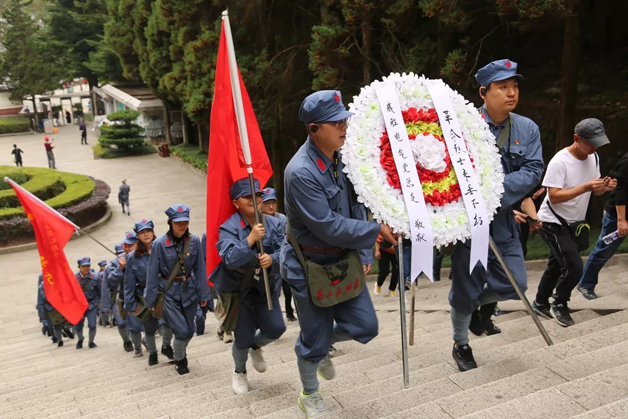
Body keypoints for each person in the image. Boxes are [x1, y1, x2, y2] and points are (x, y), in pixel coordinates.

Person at [280, 90, 397, 416]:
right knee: (314, 340)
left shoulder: (343, 156)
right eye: (335, 122)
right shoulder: (301, 172)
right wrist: (375, 233)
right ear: (314, 128)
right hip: (310, 264)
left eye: (344, 118)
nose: (344, 126)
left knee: (366, 327)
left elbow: (357, 202)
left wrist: (364, 253)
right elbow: (328, 226)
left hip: (343, 259)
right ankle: (309, 392)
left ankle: (318, 343)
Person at [449, 59, 544, 372]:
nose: (511, 92)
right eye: (503, 87)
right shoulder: (461, 127)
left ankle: (482, 305)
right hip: (467, 223)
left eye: (514, 85)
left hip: (502, 218)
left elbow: (533, 171)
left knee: (516, 282)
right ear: (483, 92)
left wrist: (490, 192)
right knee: (465, 286)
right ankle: (461, 343)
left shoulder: (527, 128)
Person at [532, 118, 615, 326]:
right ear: (576, 138)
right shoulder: (560, 161)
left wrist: (603, 187)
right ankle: (559, 303)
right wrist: (586, 187)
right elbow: (555, 196)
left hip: (573, 222)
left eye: (598, 142)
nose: (595, 147)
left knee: (556, 264)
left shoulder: (593, 157)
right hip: (552, 222)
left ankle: (540, 302)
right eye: (591, 142)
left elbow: (593, 190)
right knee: (574, 266)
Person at [211, 178, 287, 395]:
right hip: (239, 289)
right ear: (236, 203)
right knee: (242, 336)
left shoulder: (275, 223)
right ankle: (239, 371)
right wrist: (251, 239)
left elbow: (286, 250)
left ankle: (256, 345)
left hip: (266, 286)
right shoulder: (229, 227)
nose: (255, 201)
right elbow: (229, 258)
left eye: (258, 196)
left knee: (277, 328)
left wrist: (272, 259)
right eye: (248, 197)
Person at [145, 204, 211, 375]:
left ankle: (175, 350)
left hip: (189, 290)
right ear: (170, 222)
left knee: (190, 329)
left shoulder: (194, 241)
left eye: (185, 222)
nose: (182, 225)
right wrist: (150, 300)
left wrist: (204, 293)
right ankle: (180, 359)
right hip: (168, 292)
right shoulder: (159, 244)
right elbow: (152, 273)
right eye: (178, 222)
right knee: (181, 331)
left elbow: (200, 268)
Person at [578, 151, 628, 300]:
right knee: (604, 250)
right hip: (617, 214)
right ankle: (585, 284)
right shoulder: (627, 161)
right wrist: (621, 220)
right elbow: (621, 191)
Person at [124, 220, 162, 365]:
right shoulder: (133, 257)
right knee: (150, 327)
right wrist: (129, 304)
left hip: (164, 293)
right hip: (145, 296)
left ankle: (167, 346)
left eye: (148, 231)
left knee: (168, 323)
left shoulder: (162, 248)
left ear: (153, 232)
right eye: (142, 232)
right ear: (138, 236)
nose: (146, 234)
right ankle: (152, 352)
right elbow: (129, 283)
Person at [261, 187, 296, 322]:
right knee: (270, 290)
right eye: (267, 203)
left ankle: (289, 311)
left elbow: (286, 239)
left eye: (273, 203)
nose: (271, 207)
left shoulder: (281, 219)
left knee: (287, 287)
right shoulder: (258, 219)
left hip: (281, 256)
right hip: (266, 260)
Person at [101, 243, 134, 352]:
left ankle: (138, 341)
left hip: (133, 295)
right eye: (119, 253)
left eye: (123, 253)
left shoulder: (133, 261)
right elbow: (105, 288)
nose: (122, 255)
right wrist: (105, 307)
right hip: (117, 297)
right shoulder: (110, 267)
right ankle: (126, 341)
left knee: (134, 322)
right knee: (121, 322)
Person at [74, 257, 101, 349]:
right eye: (84, 266)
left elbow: (100, 291)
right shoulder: (74, 278)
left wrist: (100, 303)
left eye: (88, 266)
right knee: (78, 325)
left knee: (92, 324)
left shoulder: (95, 277)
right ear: (79, 267)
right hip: (79, 306)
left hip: (91, 304)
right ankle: (80, 339)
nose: (86, 268)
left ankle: (91, 341)